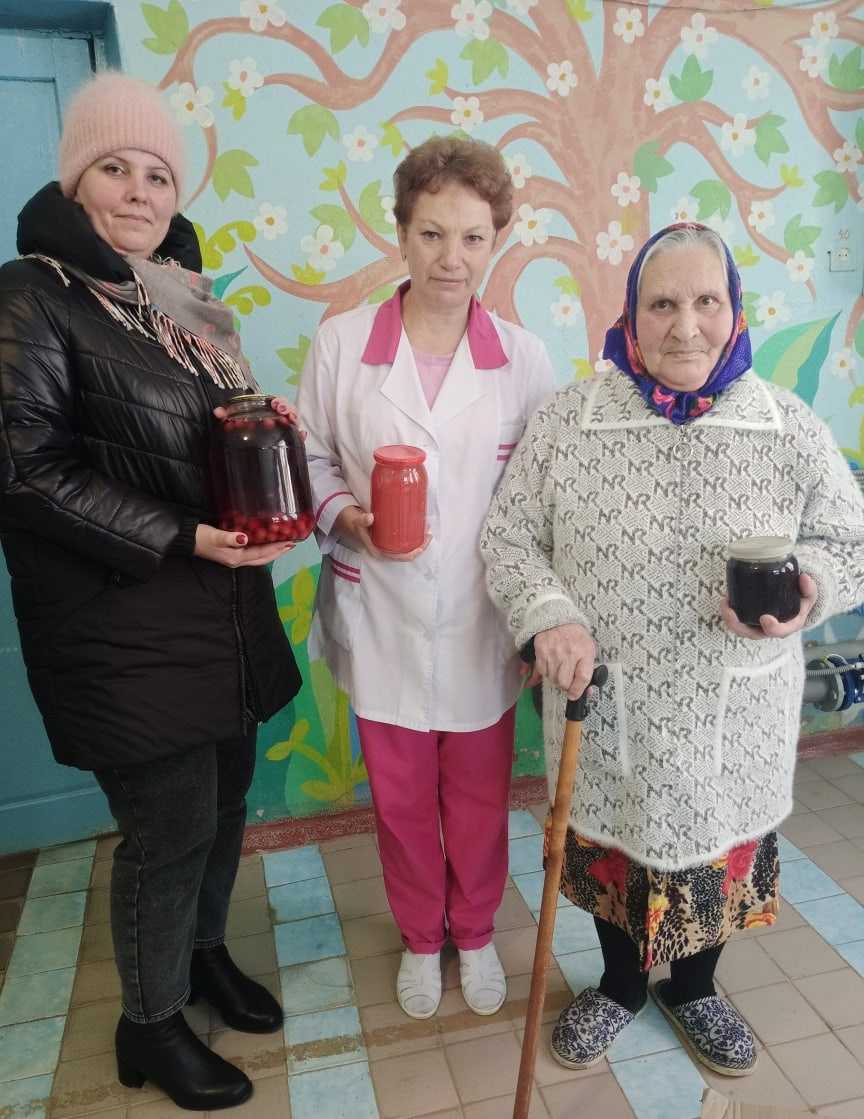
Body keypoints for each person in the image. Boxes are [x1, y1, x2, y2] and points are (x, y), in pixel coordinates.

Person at [480, 222, 864, 1076]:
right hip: (609, 699)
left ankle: (695, 989)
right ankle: (619, 987)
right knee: (610, 854)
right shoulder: (570, 420)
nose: (686, 326)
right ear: (631, 312)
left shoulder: (785, 424)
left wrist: (810, 587)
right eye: (662, 304)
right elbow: (509, 538)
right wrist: (550, 616)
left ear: (734, 309)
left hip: (735, 708)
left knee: (718, 860)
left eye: (706, 301)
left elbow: (850, 539)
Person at [0, 73, 302, 1111]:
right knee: (168, 829)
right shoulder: (33, 292)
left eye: (159, 175)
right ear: (75, 182)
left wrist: (269, 441)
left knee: (223, 806)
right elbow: (23, 469)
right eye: (115, 168)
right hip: (124, 623)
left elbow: (197, 439)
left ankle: (201, 956)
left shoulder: (178, 299)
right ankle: (152, 1023)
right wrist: (180, 533)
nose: (140, 191)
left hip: (218, 613)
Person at [297, 136, 556, 1020]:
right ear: (401, 234)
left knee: (480, 796)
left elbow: (542, 494)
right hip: (381, 613)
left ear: (497, 241)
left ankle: (474, 932)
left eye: (474, 238)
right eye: (433, 234)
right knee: (403, 799)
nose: (453, 258)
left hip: (483, 619)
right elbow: (311, 455)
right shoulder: (343, 346)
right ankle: (419, 936)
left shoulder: (523, 358)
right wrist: (347, 517)